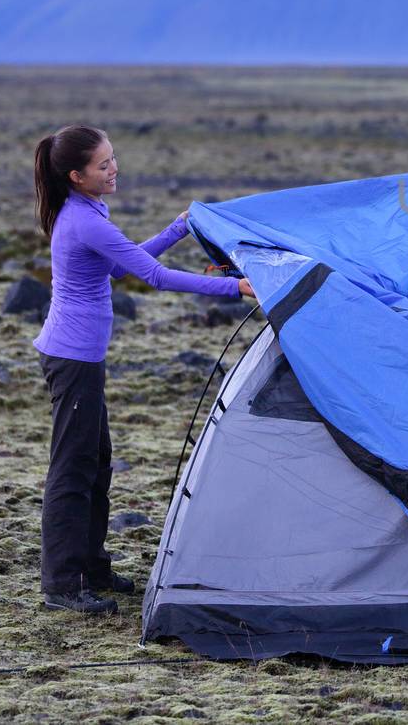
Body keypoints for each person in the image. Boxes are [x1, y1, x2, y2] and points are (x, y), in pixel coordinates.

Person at [31, 125, 253, 615]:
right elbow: (151, 276)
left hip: (81, 358)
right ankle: (63, 585)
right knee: (71, 470)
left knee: (97, 464)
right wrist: (234, 289)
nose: (114, 169)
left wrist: (177, 229)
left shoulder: (88, 210)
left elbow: (117, 269)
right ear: (77, 175)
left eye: (114, 158)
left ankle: (92, 566)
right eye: (103, 165)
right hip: (72, 361)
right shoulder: (83, 220)